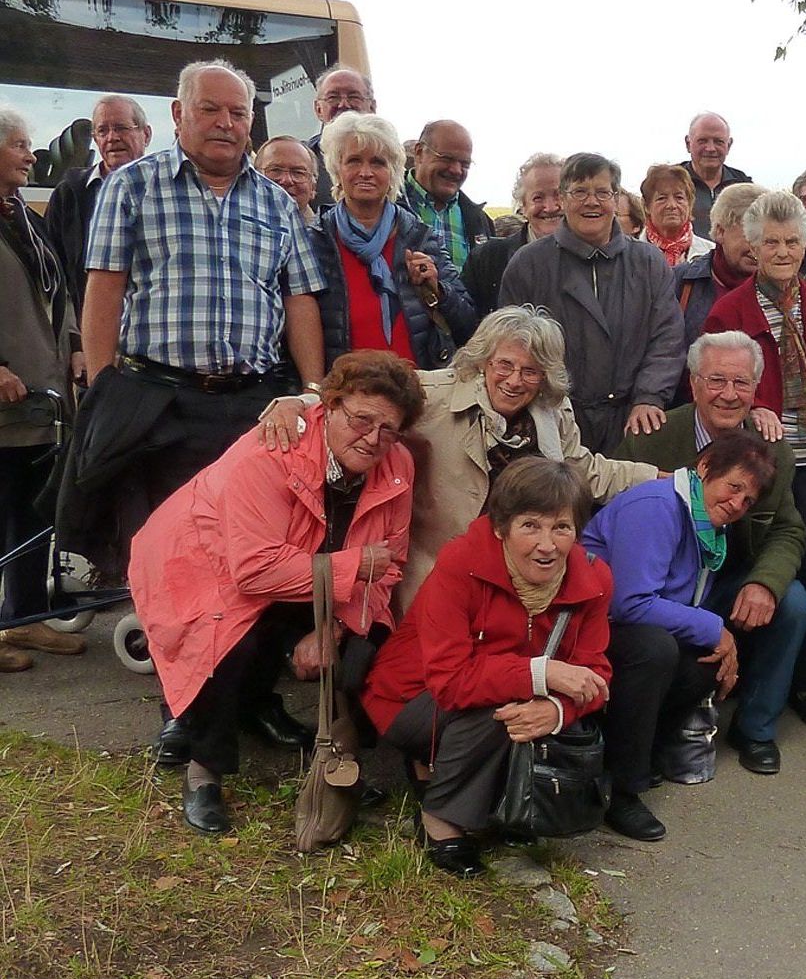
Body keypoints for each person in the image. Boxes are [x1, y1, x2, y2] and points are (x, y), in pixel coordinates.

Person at [128, 351, 423, 834]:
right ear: (329, 406)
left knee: (366, 648)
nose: (372, 439)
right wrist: (354, 565)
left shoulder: (397, 466)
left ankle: (333, 762)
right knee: (228, 636)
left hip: (310, 572)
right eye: (360, 420)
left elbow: (390, 568)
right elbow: (253, 572)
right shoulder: (271, 450)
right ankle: (204, 770)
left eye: (388, 428)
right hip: (204, 567)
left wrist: (333, 628)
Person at [73, 59, 328, 584]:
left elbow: (300, 299)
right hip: (159, 400)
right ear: (177, 114)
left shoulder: (277, 203)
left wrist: (311, 390)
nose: (226, 122)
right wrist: (103, 388)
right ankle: (175, 648)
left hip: (251, 406)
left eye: (238, 112)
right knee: (165, 539)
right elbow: (104, 290)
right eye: (209, 109)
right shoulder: (131, 187)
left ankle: (231, 648)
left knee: (243, 534)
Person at [259, 305, 658, 610]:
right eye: (505, 365)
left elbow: (584, 469)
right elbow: (359, 401)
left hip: (517, 562)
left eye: (531, 371)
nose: (515, 380)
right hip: (436, 564)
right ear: (484, 360)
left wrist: (660, 478)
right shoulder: (434, 394)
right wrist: (297, 401)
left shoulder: (553, 410)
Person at [362, 458, 612, 878]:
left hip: (503, 694)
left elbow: (596, 675)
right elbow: (450, 681)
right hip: (411, 696)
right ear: (501, 527)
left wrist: (557, 712)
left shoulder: (593, 578)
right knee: (505, 705)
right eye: (530, 525)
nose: (547, 544)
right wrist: (544, 673)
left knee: (525, 711)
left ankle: (496, 801)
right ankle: (439, 820)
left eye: (562, 527)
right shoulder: (461, 563)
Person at [611, 332, 806, 768]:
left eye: (741, 383)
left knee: (793, 602)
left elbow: (787, 530)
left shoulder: (773, 448)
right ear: (694, 383)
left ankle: (756, 728)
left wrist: (764, 583)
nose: (728, 394)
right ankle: (661, 732)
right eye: (716, 380)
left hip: (728, 579)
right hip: (662, 586)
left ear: (756, 390)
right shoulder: (652, 437)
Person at [584, 430, 790, 841]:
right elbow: (631, 602)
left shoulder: (707, 522)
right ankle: (624, 791)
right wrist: (716, 630)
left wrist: (716, 640)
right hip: (591, 625)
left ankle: (642, 748)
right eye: (733, 487)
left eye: (747, 500)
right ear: (704, 468)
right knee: (658, 649)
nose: (736, 505)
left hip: (635, 624)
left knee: (703, 663)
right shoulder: (658, 505)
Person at [704, 193, 806, 730]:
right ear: (753, 246)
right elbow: (718, 386)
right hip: (760, 461)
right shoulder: (729, 309)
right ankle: (742, 679)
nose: (783, 251)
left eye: (793, 241)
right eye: (772, 242)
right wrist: (758, 408)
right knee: (757, 571)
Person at [497, 152, 685, 452]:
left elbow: (668, 338)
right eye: (580, 192)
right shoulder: (529, 265)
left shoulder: (648, 262)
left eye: (602, 192)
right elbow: (509, 345)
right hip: (552, 422)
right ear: (562, 198)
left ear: (615, 197)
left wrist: (649, 397)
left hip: (632, 422)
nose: (592, 202)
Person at [0, 106, 86, 670]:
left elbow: (59, 286)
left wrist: (77, 342)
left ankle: (23, 620)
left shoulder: (22, 215)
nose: (33, 155)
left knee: (33, 513)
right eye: (20, 145)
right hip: (6, 391)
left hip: (41, 391)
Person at [307, 113, 477, 369]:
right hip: (345, 394)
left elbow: (469, 326)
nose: (365, 172)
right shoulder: (315, 240)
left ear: (393, 171)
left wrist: (439, 290)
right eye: (353, 161)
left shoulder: (420, 237)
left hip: (416, 392)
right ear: (336, 169)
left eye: (378, 163)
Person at [44, 94, 153, 313]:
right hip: (87, 333)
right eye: (103, 131)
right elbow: (52, 271)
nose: (112, 138)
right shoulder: (70, 194)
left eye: (121, 128)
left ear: (146, 134)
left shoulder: (165, 190)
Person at [460, 153, 563, 319]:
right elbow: (466, 325)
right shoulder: (488, 259)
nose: (550, 207)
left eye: (559, 195)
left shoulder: (592, 258)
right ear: (523, 205)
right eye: (538, 197)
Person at [673, 182, 763, 350]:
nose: (758, 247)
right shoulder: (679, 283)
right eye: (750, 236)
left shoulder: (780, 289)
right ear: (720, 231)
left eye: (766, 238)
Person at [402, 119, 493, 272]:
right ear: (419, 153)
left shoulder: (480, 221)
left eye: (465, 164)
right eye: (446, 159)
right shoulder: (386, 204)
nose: (456, 170)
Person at [306, 65, 375, 210]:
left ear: (372, 107)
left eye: (354, 96)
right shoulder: (301, 160)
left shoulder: (390, 157)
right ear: (318, 109)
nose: (343, 104)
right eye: (333, 97)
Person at [681, 112, 751, 237]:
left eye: (718, 142)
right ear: (688, 143)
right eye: (702, 141)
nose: (710, 148)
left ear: (728, 145)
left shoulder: (743, 185)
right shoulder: (671, 182)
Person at [642, 163, 715, 267]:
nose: (672, 205)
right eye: (662, 198)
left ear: (690, 204)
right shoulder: (629, 255)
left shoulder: (711, 253)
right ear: (647, 206)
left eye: (679, 197)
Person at [255, 136, 320, 223]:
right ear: (254, 178)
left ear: (313, 187)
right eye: (275, 170)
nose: (286, 180)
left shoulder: (329, 234)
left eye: (298, 172)